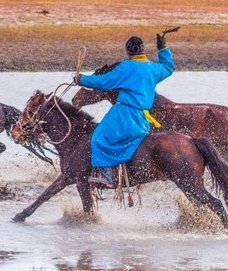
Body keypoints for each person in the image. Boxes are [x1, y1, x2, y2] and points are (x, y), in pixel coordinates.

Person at [72, 30, 176, 188]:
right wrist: (163, 48)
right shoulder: (152, 68)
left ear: (128, 52)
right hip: (142, 119)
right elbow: (168, 67)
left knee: (98, 137)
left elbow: (104, 82)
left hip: (124, 115)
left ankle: (106, 176)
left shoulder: (126, 67)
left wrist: (82, 80)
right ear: (142, 50)